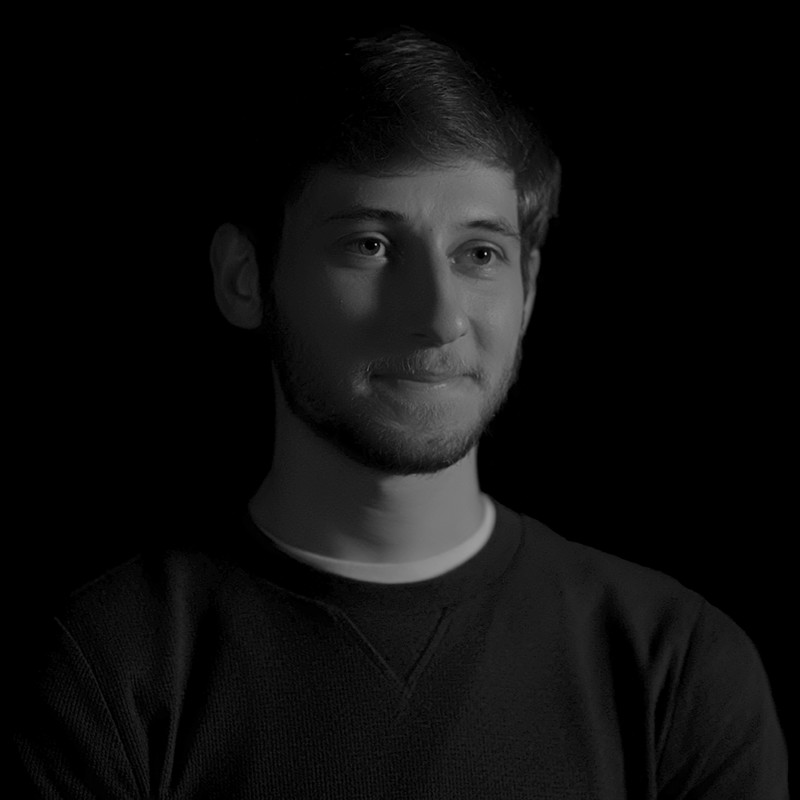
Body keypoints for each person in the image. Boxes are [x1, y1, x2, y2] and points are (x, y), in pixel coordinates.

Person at [13, 26, 788, 799]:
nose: (438, 317)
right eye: (371, 245)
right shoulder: (108, 669)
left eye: (479, 254)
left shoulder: (677, 670)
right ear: (244, 278)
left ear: (528, 290)